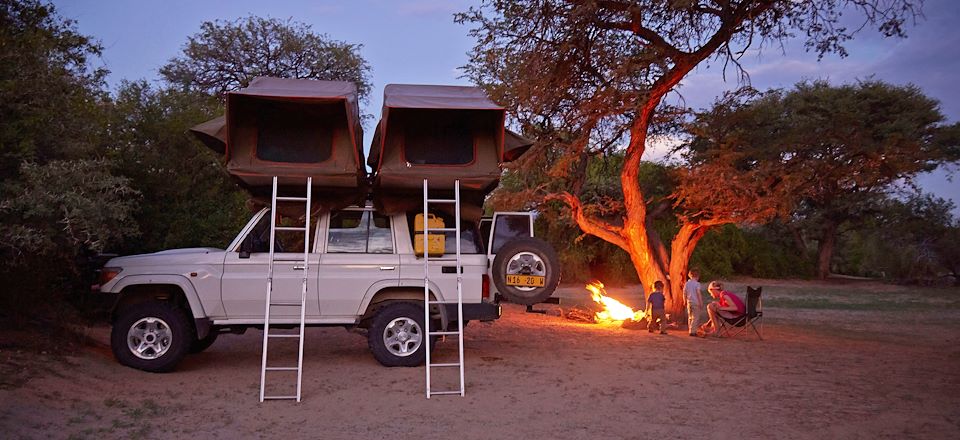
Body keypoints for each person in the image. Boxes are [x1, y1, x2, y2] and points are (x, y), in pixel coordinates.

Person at [684, 270, 703, 337]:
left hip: (689, 302)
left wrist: (684, 301)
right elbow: (698, 294)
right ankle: (693, 331)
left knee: (690, 317)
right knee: (696, 317)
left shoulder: (687, 284)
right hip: (696, 302)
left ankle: (690, 329)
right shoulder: (697, 284)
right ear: (697, 276)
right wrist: (701, 302)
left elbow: (684, 293)